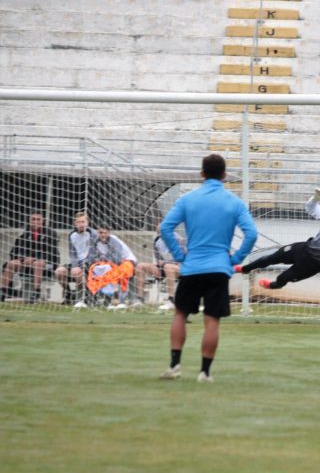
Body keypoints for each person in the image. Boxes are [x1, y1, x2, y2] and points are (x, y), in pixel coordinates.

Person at [159, 154, 258, 383]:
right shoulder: (234, 202)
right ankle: (205, 372)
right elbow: (251, 234)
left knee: (180, 313)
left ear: (202, 174)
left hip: (192, 266)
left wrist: (179, 254)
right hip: (219, 268)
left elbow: (166, 228)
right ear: (224, 175)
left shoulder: (188, 199)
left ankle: (174, 365)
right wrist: (236, 258)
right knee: (212, 319)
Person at [0, 211, 60, 303]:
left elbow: (52, 252)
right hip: (27, 264)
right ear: (29, 221)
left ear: (43, 221)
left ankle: (36, 293)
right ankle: (3, 292)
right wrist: (23, 258)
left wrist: (35, 258)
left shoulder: (51, 233)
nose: (35, 221)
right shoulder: (25, 234)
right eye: (33, 219)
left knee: (37, 263)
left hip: (47, 265)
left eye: (38, 219)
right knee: (11, 263)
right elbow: (15, 251)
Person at [85, 224, 137, 309]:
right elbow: (91, 257)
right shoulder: (94, 242)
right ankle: (97, 299)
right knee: (97, 270)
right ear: (97, 232)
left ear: (109, 233)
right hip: (109, 264)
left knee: (114, 273)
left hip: (126, 261)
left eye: (105, 233)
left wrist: (102, 259)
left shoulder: (114, 241)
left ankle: (121, 301)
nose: (103, 235)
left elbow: (117, 259)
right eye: (101, 232)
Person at [135, 224, 185, 310]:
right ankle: (140, 299)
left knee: (168, 267)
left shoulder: (177, 238)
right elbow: (159, 259)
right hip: (164, 268)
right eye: (157, 227)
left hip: (181, 268)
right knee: (140, 266)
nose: (157, 229)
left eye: (160, 227)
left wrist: (169, 262)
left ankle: (171, 300)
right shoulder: (157, 241)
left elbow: (186, 256)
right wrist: (160, 263)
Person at [55, 211, 98, 306]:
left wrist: (83, 265)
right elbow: (73, 254)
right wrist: (75, 265)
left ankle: (81, 299)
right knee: (59, 271)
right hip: (77, 264)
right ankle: (68, 294)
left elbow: (94, 253)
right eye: (78, 222)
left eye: (83, 222)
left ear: (88, 222)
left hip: (91, 264)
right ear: (75, 223)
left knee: (77, 272)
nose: (81, 224)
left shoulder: (94, 234)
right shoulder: (72, 235)